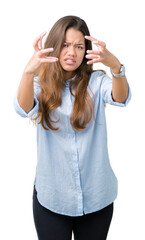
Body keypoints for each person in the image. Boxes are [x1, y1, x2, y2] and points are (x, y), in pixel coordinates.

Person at [13, 15, 131, 240]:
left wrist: (116, 66)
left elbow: (121, 97)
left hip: (97, 197)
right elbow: (23, 108)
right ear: (54, 47)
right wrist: (28, 72)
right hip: (52, 199)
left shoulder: (97, 81)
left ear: (86, 51)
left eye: (79, 46)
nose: (71, 52)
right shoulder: (39, 84)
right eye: (65, 45)